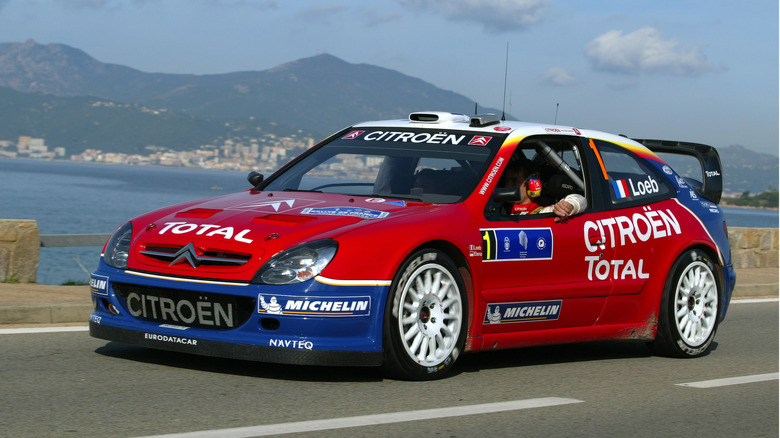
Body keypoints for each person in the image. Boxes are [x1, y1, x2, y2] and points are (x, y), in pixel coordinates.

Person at [500, 158, 586, 221]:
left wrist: (570, 205)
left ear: (532, 184)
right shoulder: (496, 208)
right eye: (506, 181)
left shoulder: (544, 212)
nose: (507, 185)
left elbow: (581, 200)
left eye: (514, 181)